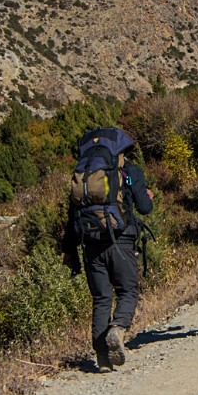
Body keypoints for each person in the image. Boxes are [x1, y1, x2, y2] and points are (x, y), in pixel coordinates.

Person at [69, 127, 155, 371]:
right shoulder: (129, 170)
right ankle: (118, 329)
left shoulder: (83, 175)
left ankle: (102, 359)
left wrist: (70, 251)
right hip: (121, 239)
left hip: (90, 242)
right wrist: (147, 195)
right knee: (128, 291)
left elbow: (70, 217)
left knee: (101, 299)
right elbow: (145, 207)